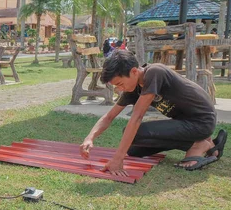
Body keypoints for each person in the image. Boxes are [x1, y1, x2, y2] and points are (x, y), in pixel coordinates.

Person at [80, 50, 227, 175]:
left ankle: (201, 144)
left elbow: (136, 117)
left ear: (133, 71)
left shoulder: (155, 72)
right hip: (184, 123)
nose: (119, 89)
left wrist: (118, 159)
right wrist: (89, 137)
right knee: (133, 149)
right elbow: (109, 116)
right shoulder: (133, 86)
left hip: (202, 121)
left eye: (119, 84)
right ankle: (205, 144)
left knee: (135, 133)